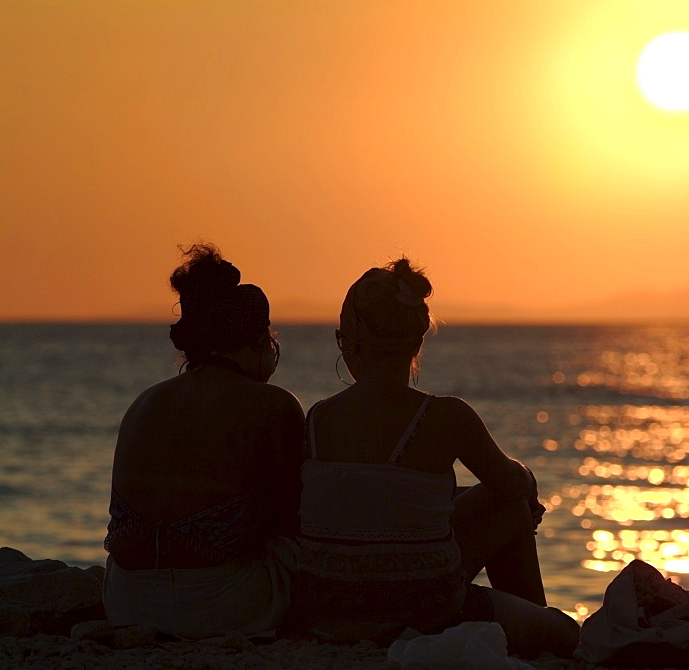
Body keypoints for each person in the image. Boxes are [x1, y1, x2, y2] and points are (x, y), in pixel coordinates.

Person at [291, 258, 579, 658]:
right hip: (421, 611)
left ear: (349, 342)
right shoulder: (445, 416)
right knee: (563, 627)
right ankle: (534, 633)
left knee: (495, 501)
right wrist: (527, 480)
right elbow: (510, 486)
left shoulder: (317, 418)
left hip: (327, 613)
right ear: (418, 342)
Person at [103, 243, 305, 639]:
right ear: (258, 343)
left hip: (127, 601)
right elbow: (292, 521)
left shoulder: (144, 402)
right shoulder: (273, 404)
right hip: (223, 605)